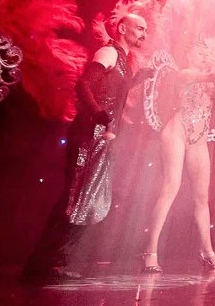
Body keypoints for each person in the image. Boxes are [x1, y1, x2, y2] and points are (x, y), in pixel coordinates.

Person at [22, 14, 148, 282]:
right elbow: (84, 85)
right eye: (139, 28)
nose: (144, 34)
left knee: (86, 200)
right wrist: (98, 114)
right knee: (75, 197)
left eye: (145, 30)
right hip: (89, 133)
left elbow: (113, 90)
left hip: (102, 137)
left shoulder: (123, 60)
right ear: (122, 28)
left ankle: (56, 261)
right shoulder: (108, 52)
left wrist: (139, 79)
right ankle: (41, 263)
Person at [140, 40, 215, 272]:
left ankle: (207, 252)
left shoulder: (209, 80)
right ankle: (150, 250)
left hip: (199, 140)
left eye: (207, 52)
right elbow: (206, 77)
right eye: (200, 51)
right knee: (170, 189)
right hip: (177, 132)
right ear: (188, 53)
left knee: (202, 197)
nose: (204, 55)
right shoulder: (184, 74)